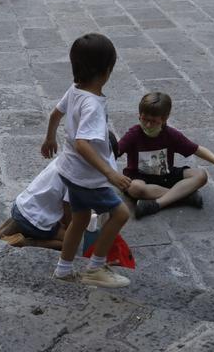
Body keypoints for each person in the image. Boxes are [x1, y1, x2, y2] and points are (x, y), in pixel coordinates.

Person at [40, 33, 132, 288]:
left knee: (80, 219)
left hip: (70, 171)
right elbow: (83, 144)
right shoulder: (91, 104)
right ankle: (95, 268)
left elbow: (55, 113)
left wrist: (49, 138)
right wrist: (111, 174)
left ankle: (63, 269)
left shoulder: (75, 89)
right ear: (107, 70)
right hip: (88, 177)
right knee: (121, 213)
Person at [119, 92, 214, 219]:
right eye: (144, 119)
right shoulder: (134, 134)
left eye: (153, 121)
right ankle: (184, 197)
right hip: (139, 177)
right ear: (139, 115)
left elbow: (196, 149)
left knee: (201, 175)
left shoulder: (170, 134)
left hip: (166, 175)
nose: (148, 125)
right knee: (135, 188)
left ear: (164, 119)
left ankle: (157, 204)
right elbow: (115, 151)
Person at [0, 161, 70, 249]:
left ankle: (2, 234)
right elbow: (68, 208)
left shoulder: (61, 159)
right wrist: (69, 227)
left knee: (22, 218)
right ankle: (28, 243)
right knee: (70, 241)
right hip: (35, 220)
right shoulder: (75, 176)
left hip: (20, 206)